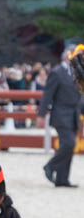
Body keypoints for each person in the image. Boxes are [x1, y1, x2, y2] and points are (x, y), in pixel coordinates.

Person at [38, 50, 82, 189]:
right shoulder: (57, 73)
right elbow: (47, 94)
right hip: (61, 114)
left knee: (69, 146)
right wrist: (41, 114)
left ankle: (62, 179)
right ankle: (50, 166)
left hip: (74, 114)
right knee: (69, 143)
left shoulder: (78, 73)